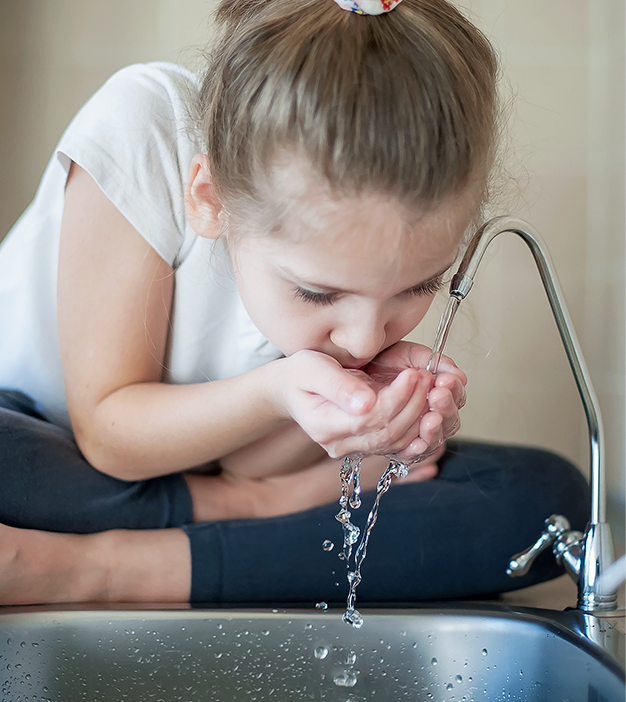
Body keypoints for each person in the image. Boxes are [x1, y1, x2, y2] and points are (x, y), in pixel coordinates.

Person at [0, 0, 588, 607]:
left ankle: (94, 567)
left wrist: (360, 425)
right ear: (211, 199)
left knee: (542, 498)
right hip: (50, 443)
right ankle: (211, 534)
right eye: (318, 292)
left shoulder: (355, 317)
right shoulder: (146, 127)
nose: (365, 337)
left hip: (182, 479)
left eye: (418, 287)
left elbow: (246, 462)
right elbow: (109, 438)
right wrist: (271, 416)